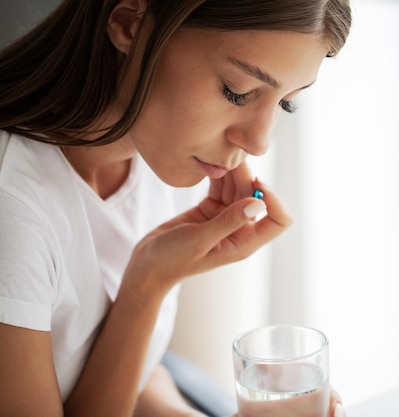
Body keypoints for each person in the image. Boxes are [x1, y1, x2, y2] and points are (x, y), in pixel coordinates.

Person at [0, 0, 351, 416]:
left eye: (285, 103)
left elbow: (138, 378)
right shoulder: (14, 209)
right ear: (129, 23)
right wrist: (148, 283)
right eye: (236, 92)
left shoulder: (161, 154)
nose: (259, 142)